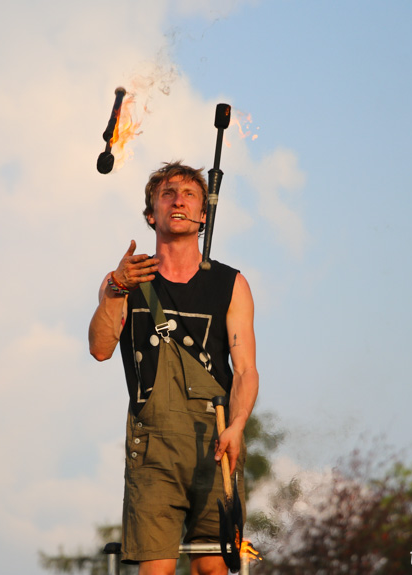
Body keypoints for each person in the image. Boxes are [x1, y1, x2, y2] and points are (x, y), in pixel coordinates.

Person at [88, 161, 259, 575]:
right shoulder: (124, 280)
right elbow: (99, 349)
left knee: (213, 569)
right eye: (167, 194)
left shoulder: (231, 284)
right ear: (151, 215)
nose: (178, 200)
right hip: (153, 448)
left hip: (214, 440)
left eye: (189, 195)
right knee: (156, 571)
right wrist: (116, 288)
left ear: (204, 215)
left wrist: (237, 426)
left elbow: (245, 371)